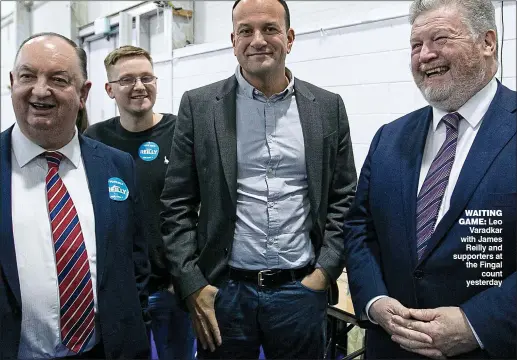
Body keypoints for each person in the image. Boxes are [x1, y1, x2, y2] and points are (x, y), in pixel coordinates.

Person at [160, 0, 357, 358]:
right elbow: (176, 203)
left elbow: (344, 197)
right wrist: (192, 283)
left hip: (300, 290)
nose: (258, 40)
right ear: (233, 40)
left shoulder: (327, 107)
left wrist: (324, 273)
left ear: (290, 37)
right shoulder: (200, 106)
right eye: (246, 31)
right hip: (224, 292)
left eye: (270, 29)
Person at [343, 0, 516, 358]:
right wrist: (374, 300)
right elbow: (359, 228)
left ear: (488, 42)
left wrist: (477, 323)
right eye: (416, 45)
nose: (425, 55)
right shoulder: (389, 138)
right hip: (392, 348)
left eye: (440, 38)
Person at [0, 33, 150, 359]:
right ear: (12, 82)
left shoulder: (116, 166)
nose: (40, 90)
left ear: (83, 93)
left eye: (58, 79)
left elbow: (134, 268)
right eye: (27, 76)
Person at [84, 45, 195, 360]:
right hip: (120, 291)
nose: (139, 86)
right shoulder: (94, 140)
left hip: (173, 288)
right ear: (109, 89)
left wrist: (187, 277)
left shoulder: (181, 132)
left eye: (147, 77)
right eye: (127, 80)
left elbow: (204, 206)